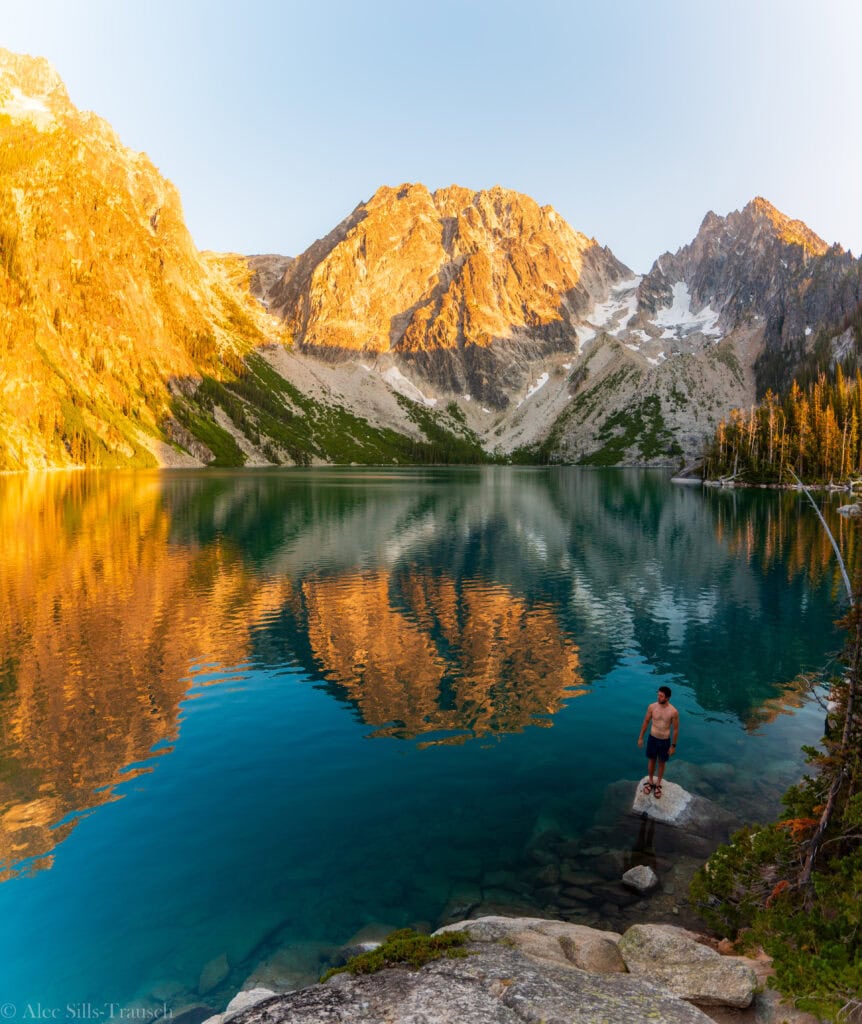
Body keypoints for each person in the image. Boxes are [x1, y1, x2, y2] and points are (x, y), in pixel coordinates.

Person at [637, 685, 679, 799]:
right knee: (651, 760)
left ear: (667, 698)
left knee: (661, 762)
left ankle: (658, 783)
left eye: (661, 696)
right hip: (652, 738)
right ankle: (650, 781)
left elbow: (675, 729)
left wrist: (673, 746)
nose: (658, 697)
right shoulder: (652, 707)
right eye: (658, 695)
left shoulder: (673, 711)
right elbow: (646, 722)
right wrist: (641, 737)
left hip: (665, 740)